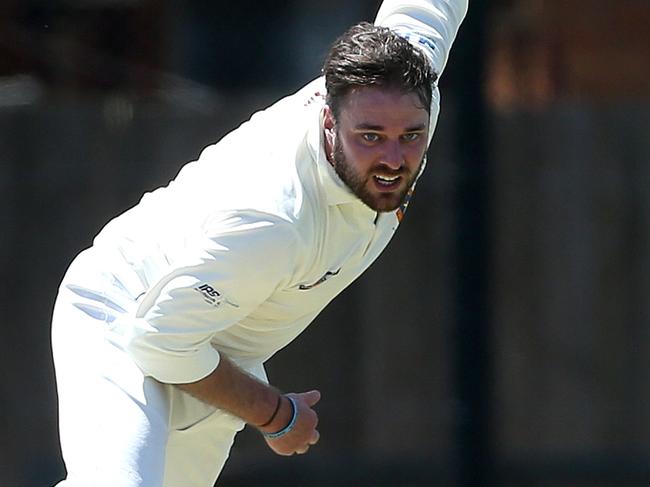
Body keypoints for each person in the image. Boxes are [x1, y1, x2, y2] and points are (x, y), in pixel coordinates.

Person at [51, 0, 468, 485]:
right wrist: (276, 415)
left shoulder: (412, 90)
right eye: (370, 137)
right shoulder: (275, 220)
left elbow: (428, 8)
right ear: (330, 122)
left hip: (211, 350)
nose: (394, 159)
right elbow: (159, 343)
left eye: (411, 136)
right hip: (126, 315)